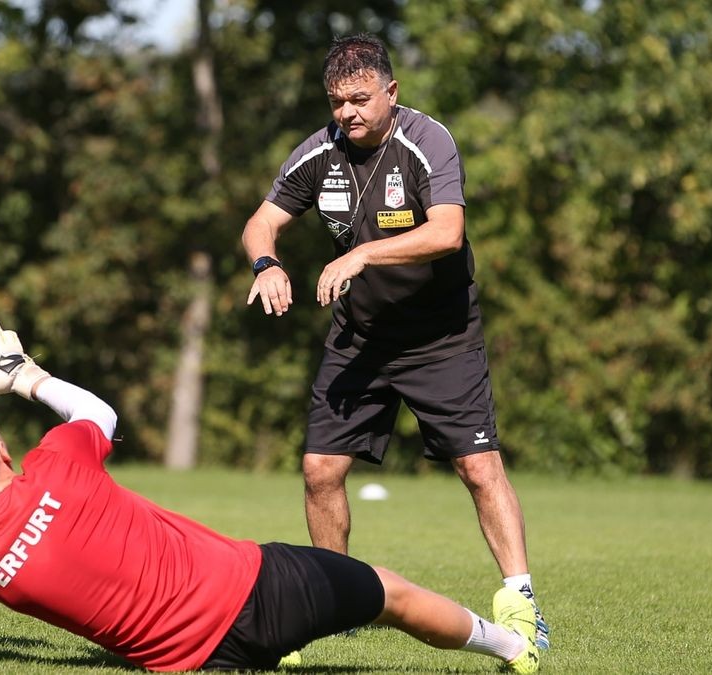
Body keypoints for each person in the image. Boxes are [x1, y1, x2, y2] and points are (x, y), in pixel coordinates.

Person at [0, 315, 540, 673]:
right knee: (388, 594)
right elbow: (99, 416)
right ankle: (512, 648)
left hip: (193, 663)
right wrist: (24, 376)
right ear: (4, 451)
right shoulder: (57, 467)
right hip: (259, 589)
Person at [241, 33, 549, 649]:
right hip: (360, 340)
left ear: (391, 91)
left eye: (359, 98)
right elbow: (262, 221)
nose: (348, 112)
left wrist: (362, 255)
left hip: (442, 339)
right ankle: (333, 605)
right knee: (319, 470)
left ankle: (522, 604)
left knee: (478, 466)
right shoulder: (319, 153)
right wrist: (266, 264)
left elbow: (448, 233)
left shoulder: (426, 141)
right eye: (337, 102)